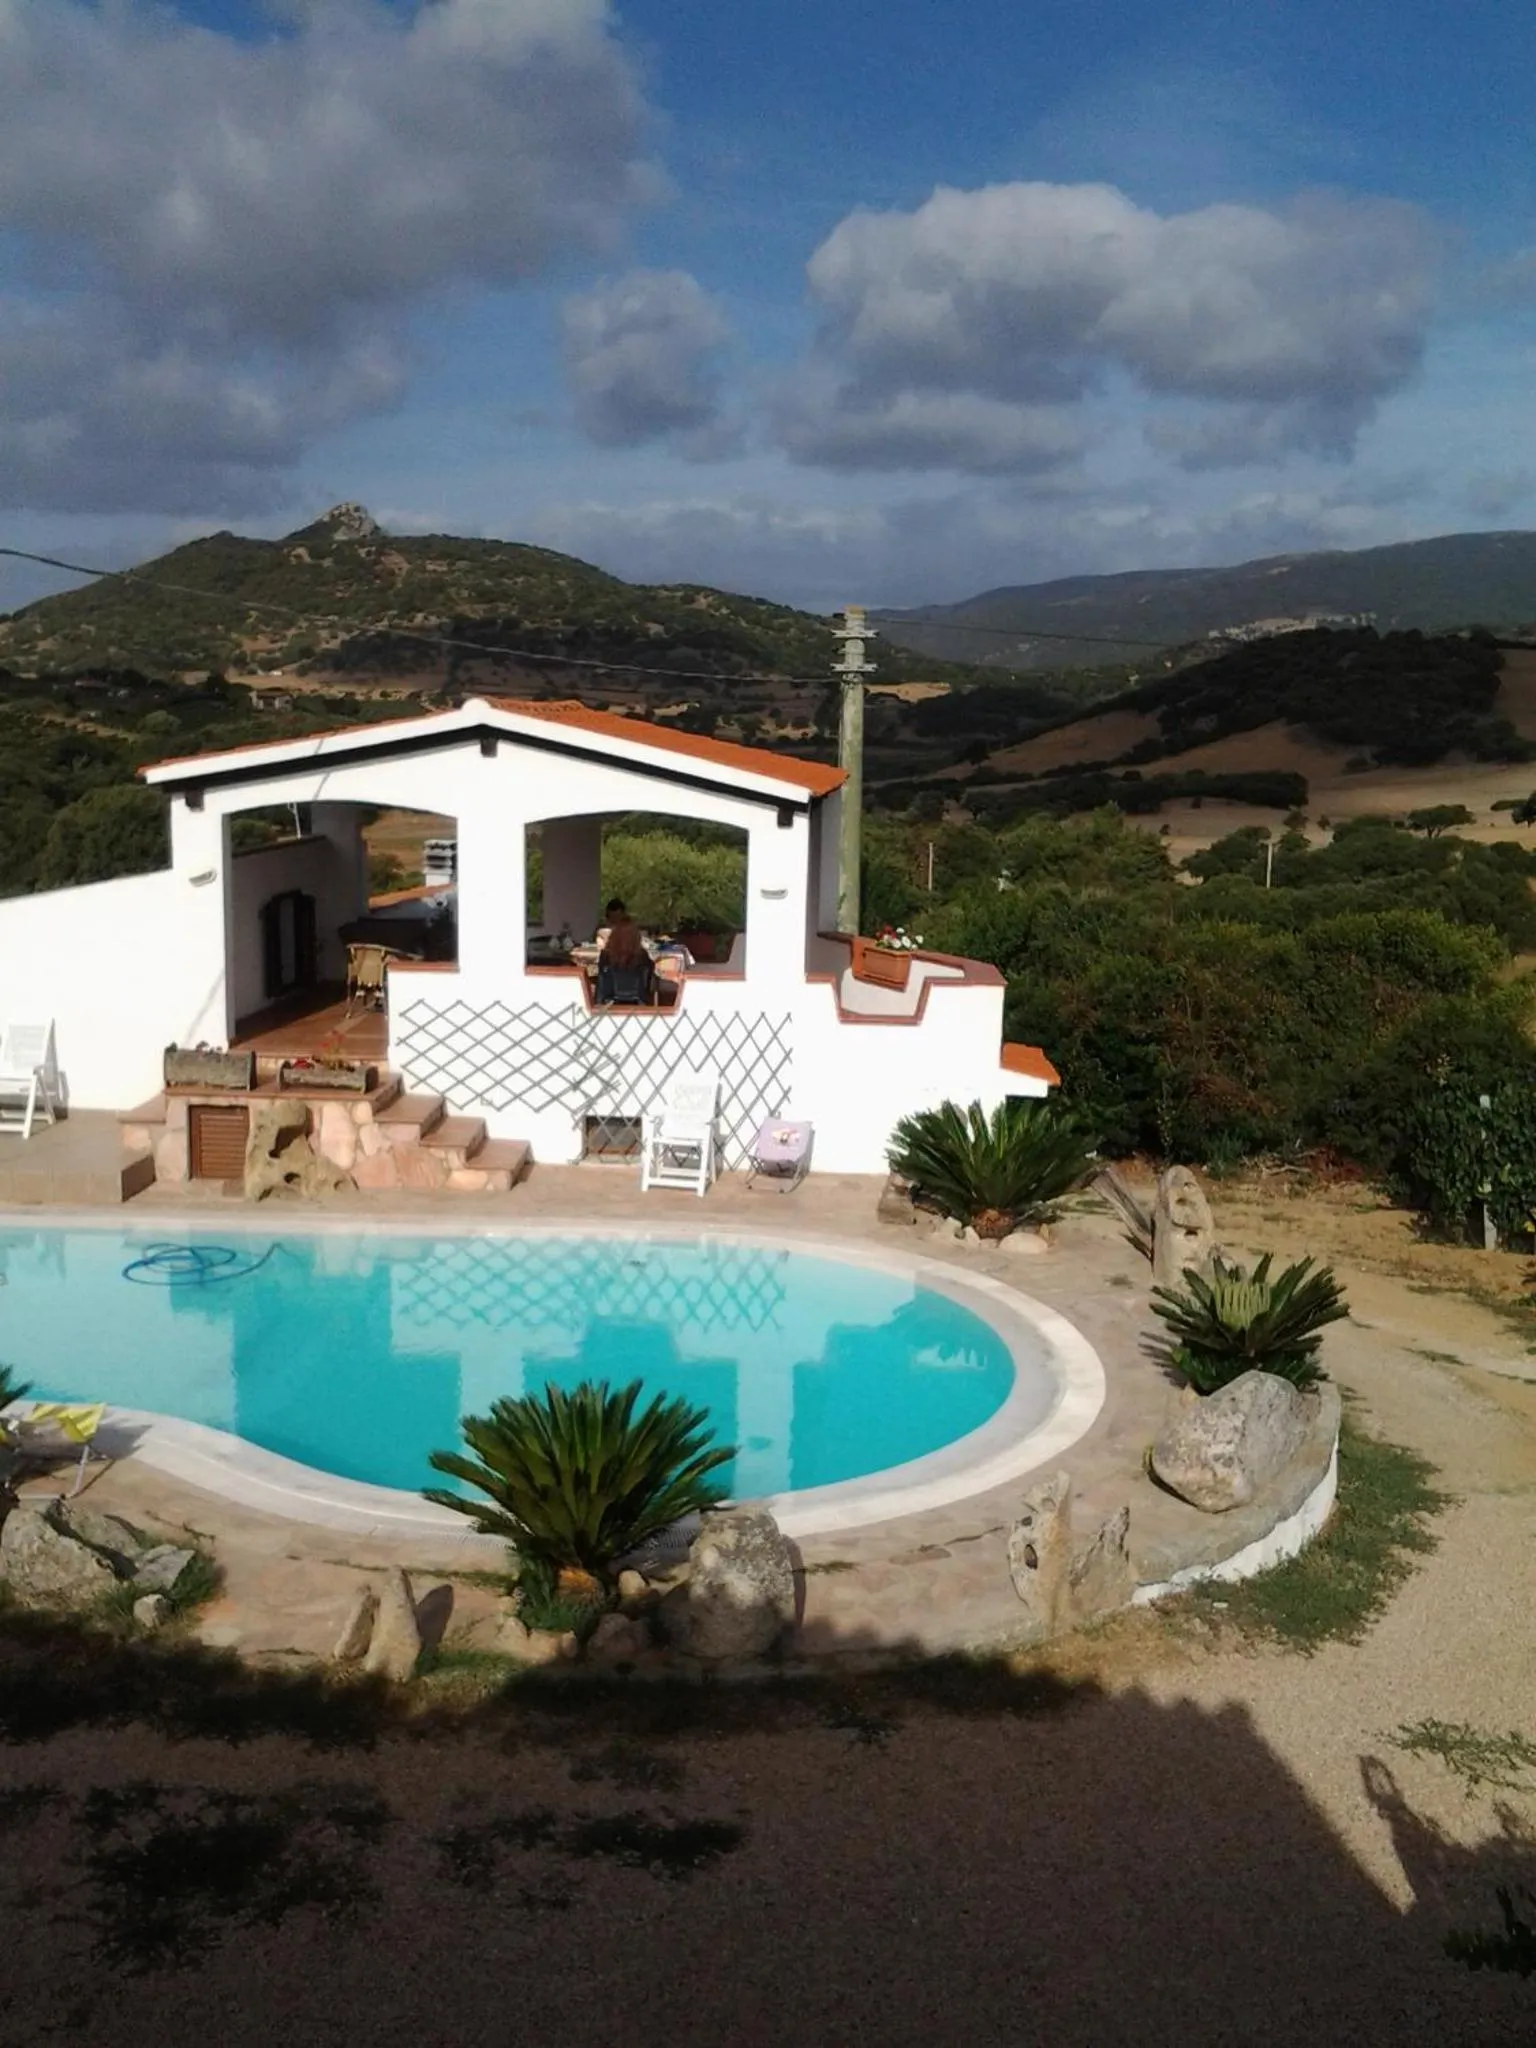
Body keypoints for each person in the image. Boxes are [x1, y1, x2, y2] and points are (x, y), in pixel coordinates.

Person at [596, 901, 654, 1004]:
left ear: (613, 936)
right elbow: (647, 984)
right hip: (637, 1001)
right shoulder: (642, 956)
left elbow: (601, 982)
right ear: (636, 937)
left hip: (610, 1001)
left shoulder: (605, 955)